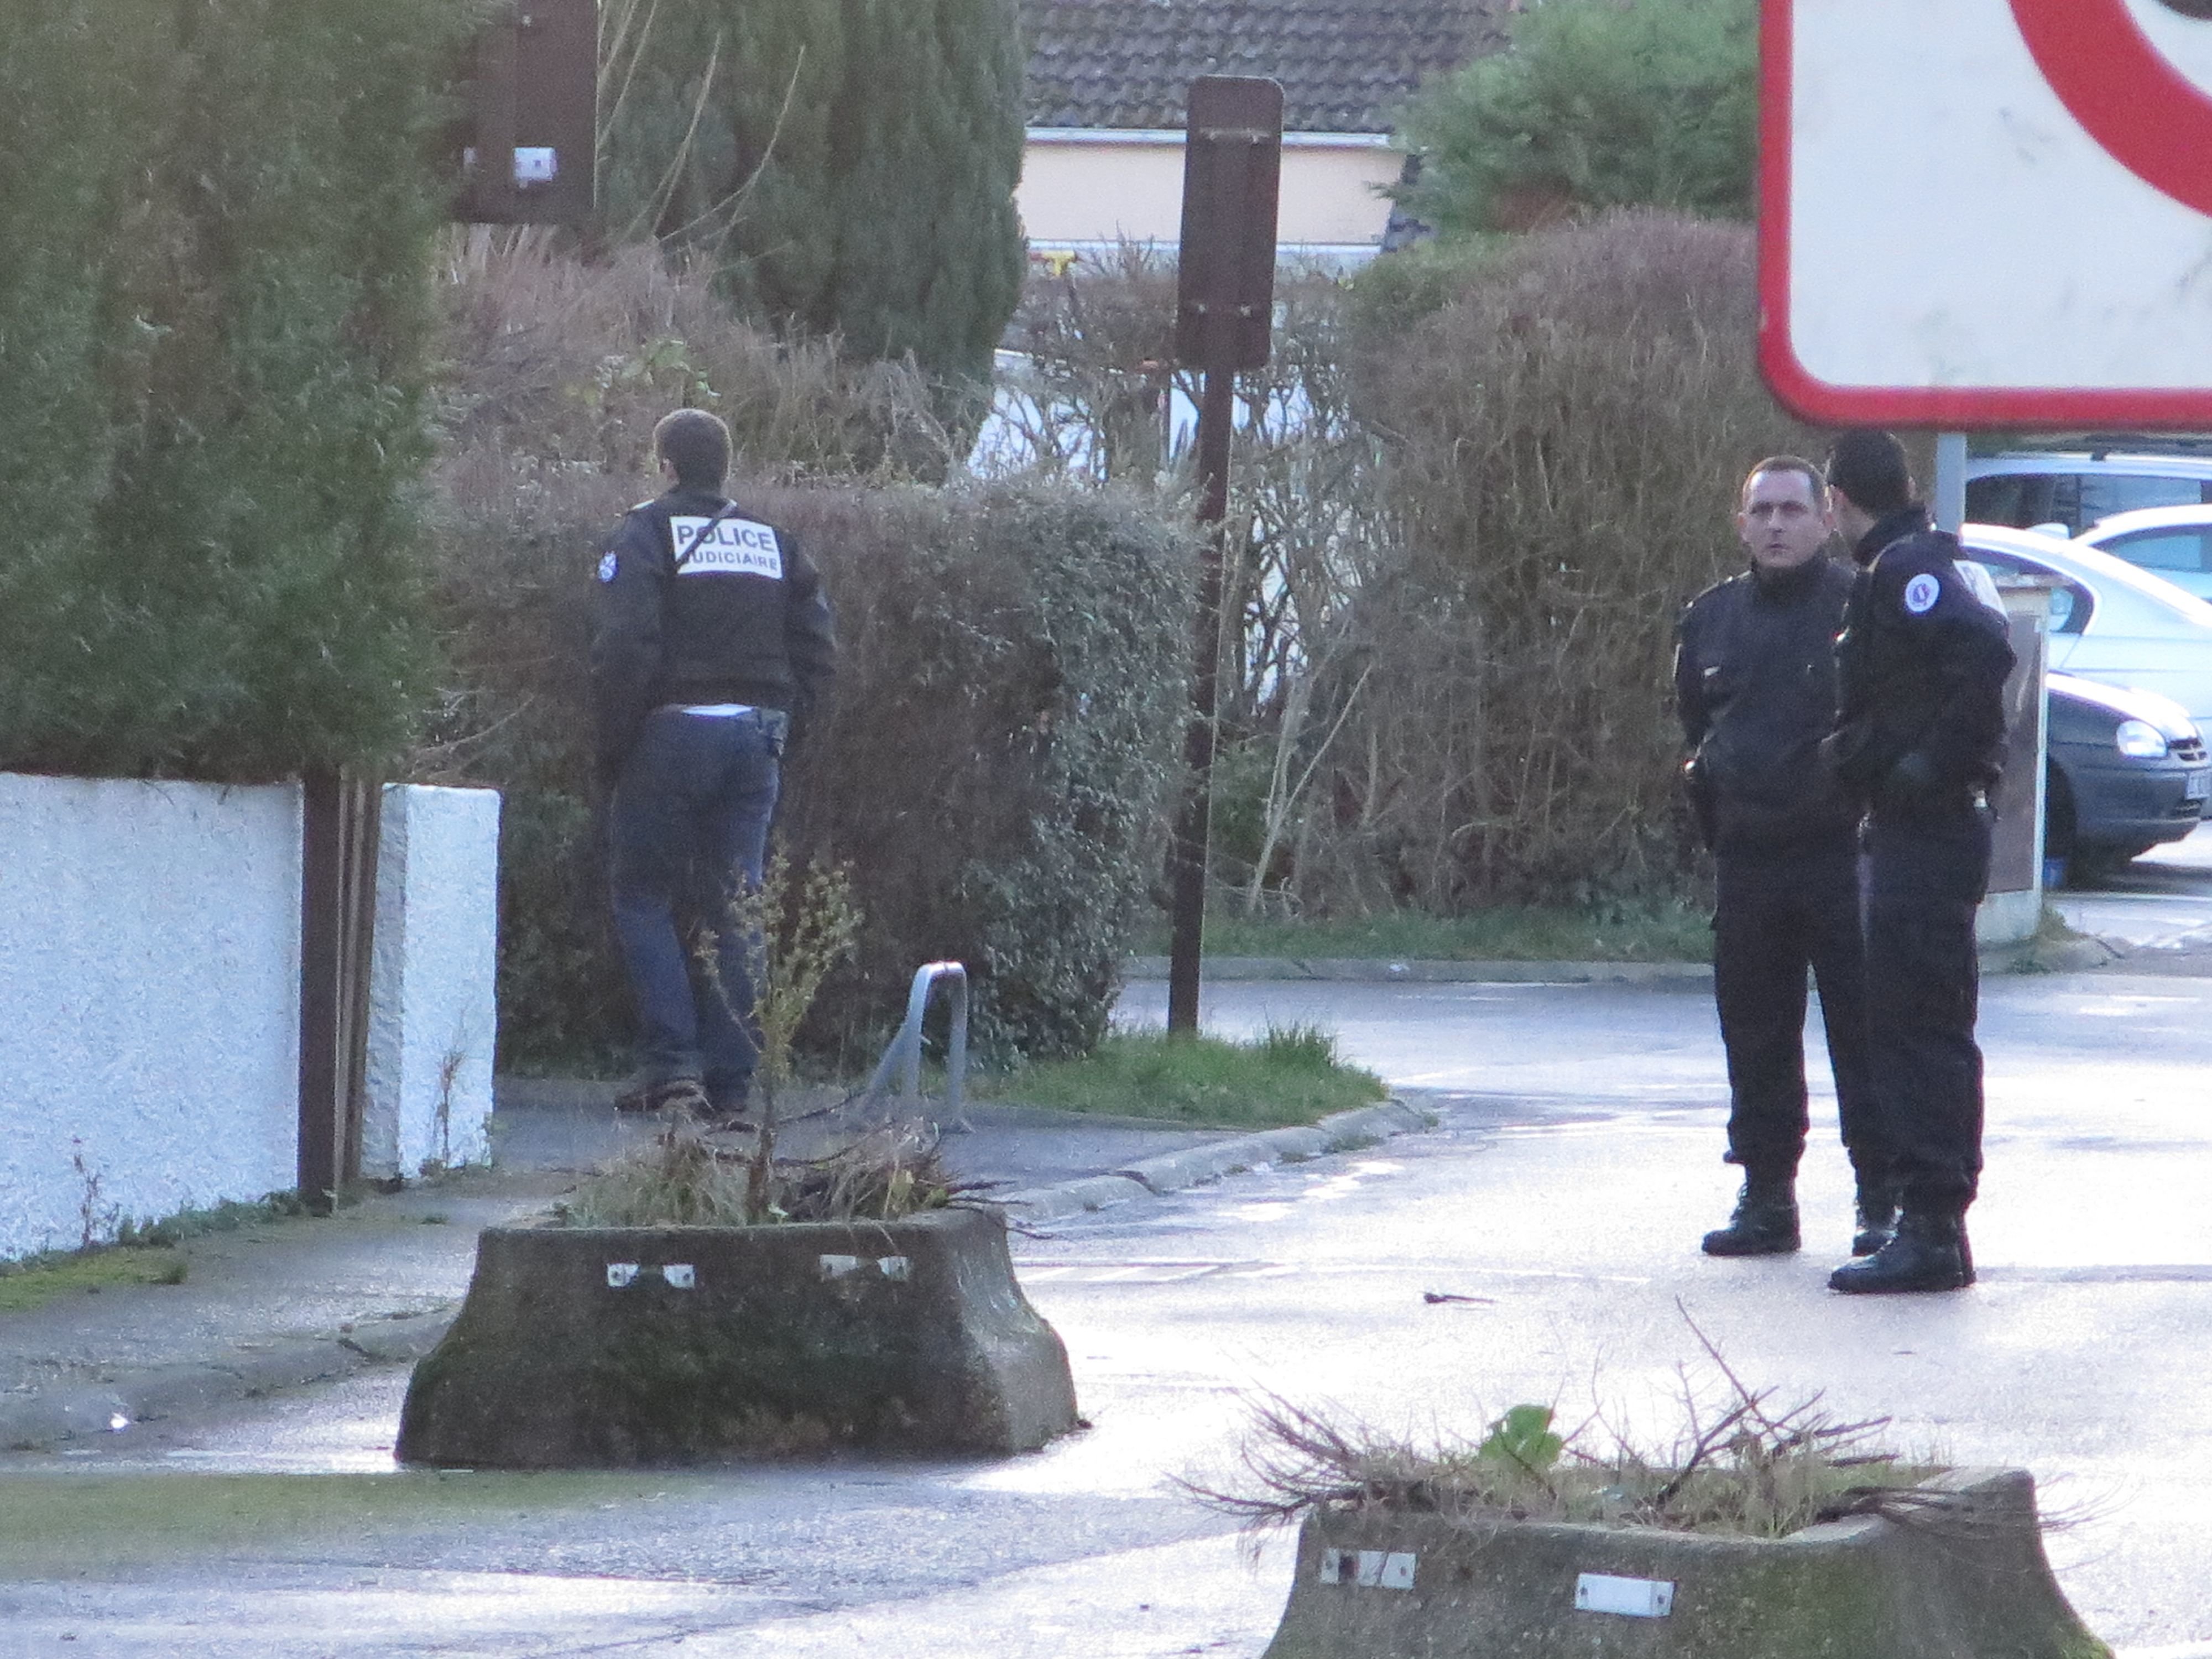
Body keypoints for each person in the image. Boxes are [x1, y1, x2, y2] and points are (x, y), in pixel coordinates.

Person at [589, 408, 836, 1121]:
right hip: (758, 736)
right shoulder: (775, 543)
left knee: (642, 896)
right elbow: (818, 653)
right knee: (739, 909)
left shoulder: (645, 532)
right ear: (724, 467)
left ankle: (674, 1074)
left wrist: (614, 746)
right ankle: (734, 1085)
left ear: (664, 465)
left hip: (669, 733)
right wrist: (790, 733)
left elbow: (624, 647)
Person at [1677, 457, 1887, 1261]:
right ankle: (1766, 1194)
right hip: (1751, 857)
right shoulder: (1710, 618)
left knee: (1862, 1035)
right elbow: (1698, 726)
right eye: (1760, 511)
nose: (1775, 524)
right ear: (1739, 525)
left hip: (1843, 855)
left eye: (1792, 510)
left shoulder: (1861, 608)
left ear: (1825, 519)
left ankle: (1880, 1197)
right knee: (1756, 1035)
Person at [1820, 430, 2015, 1295]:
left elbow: (1982, 656)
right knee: (1910, 1019)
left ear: (1836, 502)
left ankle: (1933, 1226)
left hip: (1927, 827)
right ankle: (1924, 1218)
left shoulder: (1908, 570)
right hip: (1917, 826)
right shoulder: (1922, 559)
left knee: (1917, 1025)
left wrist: (1925, 763)